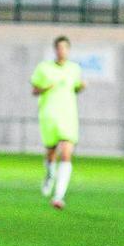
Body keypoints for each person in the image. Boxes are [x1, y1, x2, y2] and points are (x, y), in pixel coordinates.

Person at [30, 36, 84, 210]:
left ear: (68, 50)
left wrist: (81, 86)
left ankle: (59, 196)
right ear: (55, 50)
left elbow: (76, 87)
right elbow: (35, 90)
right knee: (51, 152)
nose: (62, 51)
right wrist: (47, 88)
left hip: (68, 115)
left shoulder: (74, 69)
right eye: (59, 48)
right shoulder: (44, 68)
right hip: (49, 115)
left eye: (65, 48)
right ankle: (49, 175)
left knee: (66, 152)